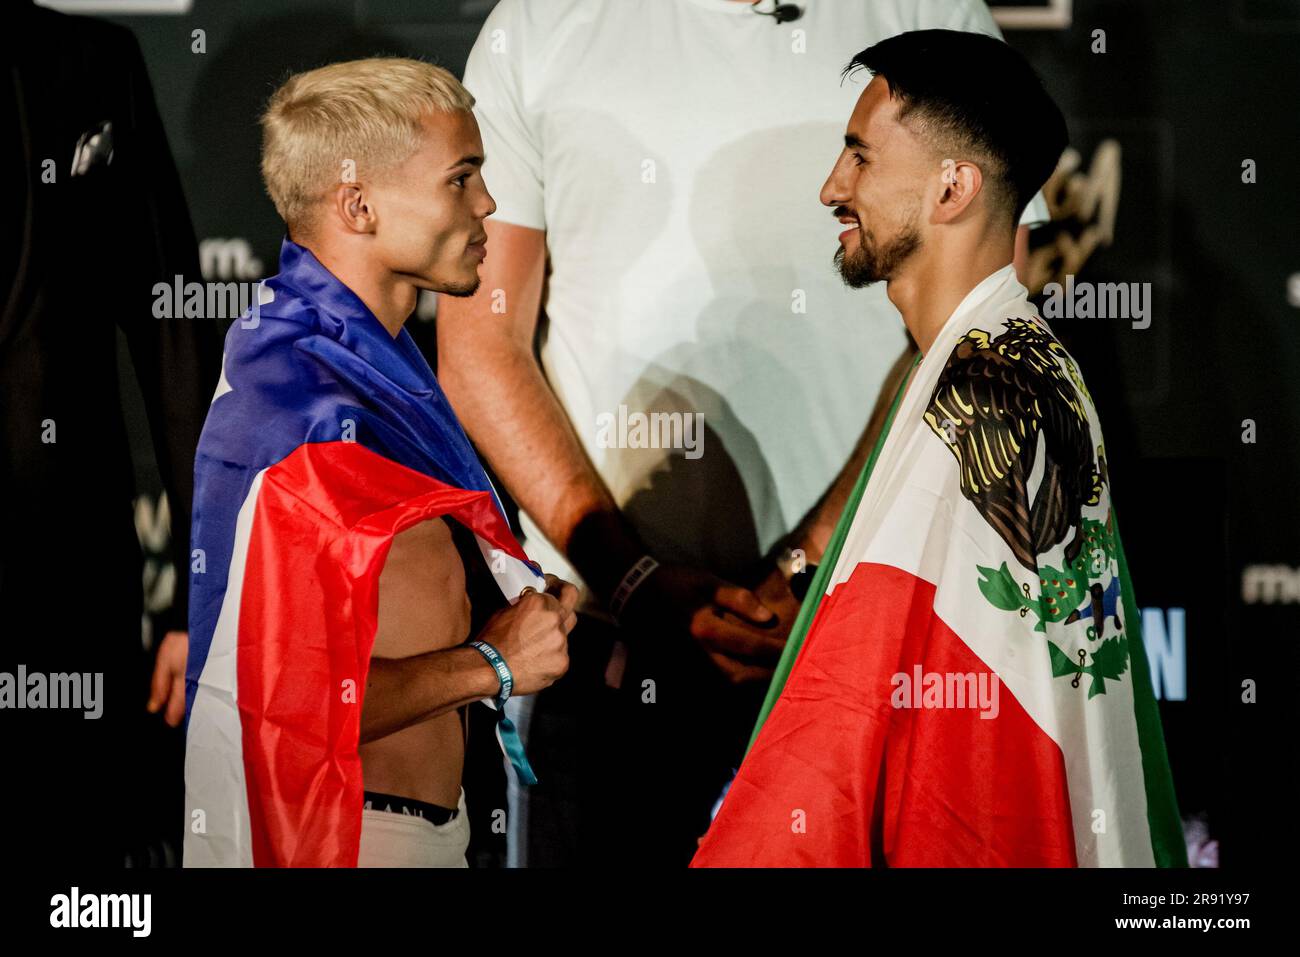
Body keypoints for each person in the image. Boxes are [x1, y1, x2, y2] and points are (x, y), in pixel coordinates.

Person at [439, 0, 1050, 866]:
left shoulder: (932, 9)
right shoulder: (539, 22)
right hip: (604, 651)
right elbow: (479, 347)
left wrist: (807, 571)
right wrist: (638, 584)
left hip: (867, 642)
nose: (832, 186)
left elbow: (977, 326)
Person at [692, 30, 1185, 867]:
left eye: (859, 158)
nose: (830, 188)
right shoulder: (1001, 359)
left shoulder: (985, 385)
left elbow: (904, 724)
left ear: (952, 187)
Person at [182, 58, 575, 868]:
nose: (488, 204)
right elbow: (285, 700)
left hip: (409, 827)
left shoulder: (365, 363)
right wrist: (492, 662)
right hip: (340, 834)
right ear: (358, 205)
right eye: (460, 179)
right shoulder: (302, 404)